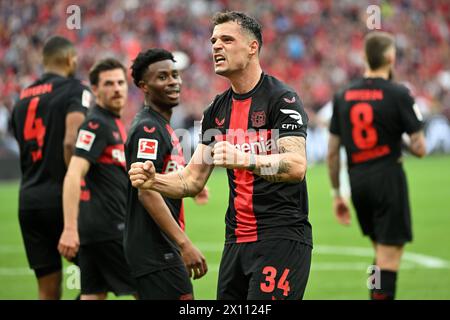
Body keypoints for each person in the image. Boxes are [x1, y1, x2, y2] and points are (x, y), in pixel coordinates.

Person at [129, 12, 312, 300]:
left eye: (227, 39)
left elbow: (296, 166)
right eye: (214, 40)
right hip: (235, 243)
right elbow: (191, 181)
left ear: (253, 47)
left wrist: (244, 159)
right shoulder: (217, 110)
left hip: (280, 238)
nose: (216, 46)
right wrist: (155, 181)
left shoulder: (282, 99)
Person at [327, 31, 426, 300]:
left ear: (364, 58)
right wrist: (397, 137)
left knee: (380, 253)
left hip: (358, 181)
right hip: (387, 177)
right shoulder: (398, 93)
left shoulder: (343, 95)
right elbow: (420, 148)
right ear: (391, 57)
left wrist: (337, 194)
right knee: (389, 258)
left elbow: (333, 153)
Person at [125, 48, 209, 300]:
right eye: (162, 77)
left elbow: (157, 177)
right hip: (155, 248)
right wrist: (184, 244)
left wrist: (189, 185)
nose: (173, 81)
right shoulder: (149, 128)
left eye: (175, 75)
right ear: (144, 86)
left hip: (155, 247)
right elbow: (146, 190)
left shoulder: (160, 125)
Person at [11, 36, 90, 300]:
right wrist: (79, 184)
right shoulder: (76, 90)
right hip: (62, 198)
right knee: (102, 273)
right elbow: (71, 141)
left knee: (47, 290)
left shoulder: (22, 98)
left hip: (29, 200)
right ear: (70, 60)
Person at [57, 58, 137, 300]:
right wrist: (69, 229)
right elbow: (73, 173)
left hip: (97, 232)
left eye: (121, 83)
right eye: (109, 83)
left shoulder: (113, 124)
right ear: (95, 89)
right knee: (152, 289)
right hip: (110, 230)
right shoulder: (95, 124)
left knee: (92, 295)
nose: (116, 88)